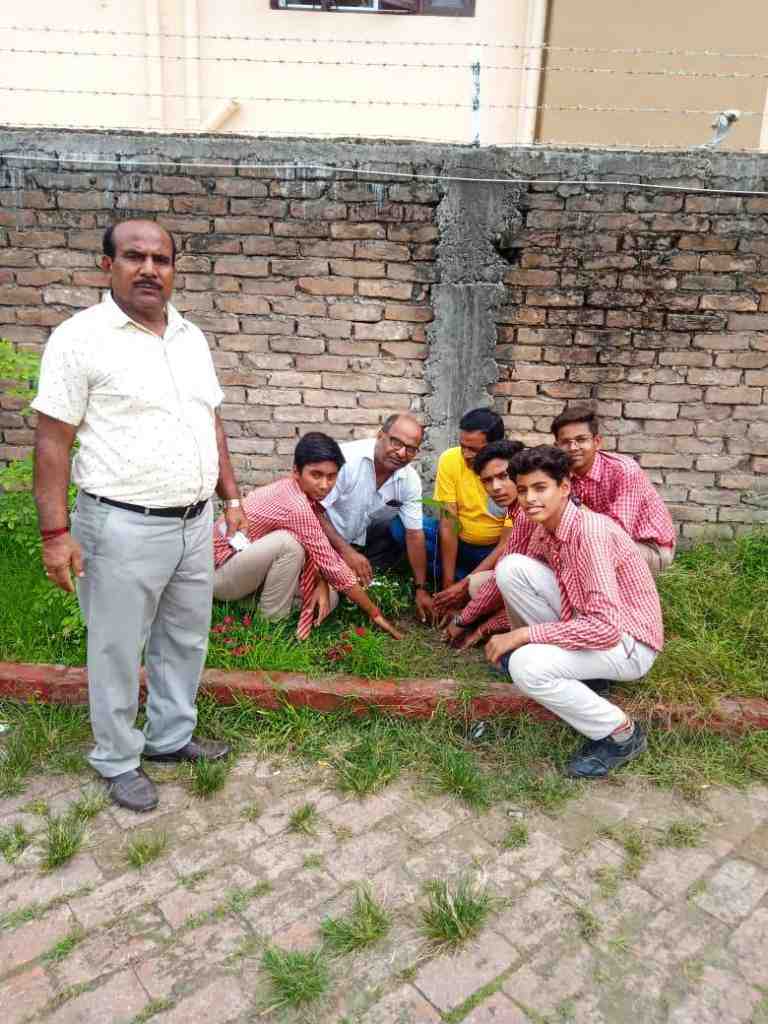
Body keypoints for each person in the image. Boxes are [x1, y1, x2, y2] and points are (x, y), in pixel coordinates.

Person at [31, 219, 245, 814]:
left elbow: (211, 420)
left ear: (175, 269)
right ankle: (118, 758)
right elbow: (52, 442)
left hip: (193, 521)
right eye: (134, 257)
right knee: (118, 647)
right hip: (120, 524)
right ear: (108, 266)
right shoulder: (81, 338)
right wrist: (55, 535)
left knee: (184, 637)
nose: (150, 269)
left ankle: (171, 738)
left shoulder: (190, 336)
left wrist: (230, 498)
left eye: (162, 259)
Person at [454, 446, 663, 779]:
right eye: (523, 490)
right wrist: (472, 622)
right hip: (591, 624)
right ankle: (590, 677)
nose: (529, 499)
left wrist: (522, 636)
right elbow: (514, 588)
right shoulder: (546, 527)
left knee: (526, 664)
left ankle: (621, 734)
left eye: (540, 488)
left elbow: (604, 628)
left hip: (629, 642)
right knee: (513, 569)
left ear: (564, 487)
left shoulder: (590, 534)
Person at [212, 432, 402, 639]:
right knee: (288, 544)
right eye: (316, 475)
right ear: (296, 471)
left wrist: (322, 582)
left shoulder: (303, 496)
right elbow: (331, 563)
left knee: (330, 596)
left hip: (247, 568)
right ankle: (270, 625)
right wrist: (374, 613)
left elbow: (319, 555)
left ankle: (247, 604)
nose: (324, 485)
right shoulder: (295, 503)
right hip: (218, 573)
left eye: (331, 476)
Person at [319, 413, 434, 624]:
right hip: (322, 538)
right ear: (381, 435)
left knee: (404, 531)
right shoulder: (346, 460)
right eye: (396, 442)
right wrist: (347, 552)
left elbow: (414, 534)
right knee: (331, 595)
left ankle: (359, 580)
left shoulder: (409, 480)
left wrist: (421, 588)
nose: (401, 453)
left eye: (410, 449)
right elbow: (313, 510)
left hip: (361, 541)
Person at [551, 405, 676, 574]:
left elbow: (618, 534)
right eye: (566, 442)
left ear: (597, 442)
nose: (573, 448)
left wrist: (576, 507)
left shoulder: (623, 470)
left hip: (647, 548)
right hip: (596, 540)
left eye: (581, 440)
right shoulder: (559, 473)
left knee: (586, 553)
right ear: (556, 446)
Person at [430, 409, 516, 615]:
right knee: (404, 529)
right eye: (463, 446)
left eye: (475, 450)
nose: (467, 455)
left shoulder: (512, 471)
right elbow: (449, 522)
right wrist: (448, 586)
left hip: (492, 550)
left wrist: (462, 587)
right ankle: (459, 579)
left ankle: (470, 582)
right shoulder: (450, 460)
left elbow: (506, 544)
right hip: (459, 542)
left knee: (510, 565)